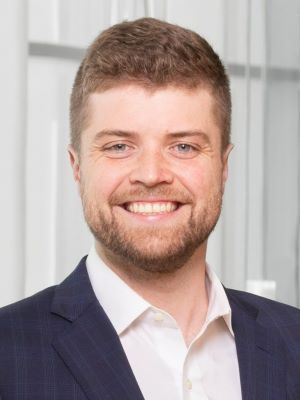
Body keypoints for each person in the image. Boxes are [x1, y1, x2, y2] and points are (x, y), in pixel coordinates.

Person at [0, 17, 299, 400]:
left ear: (224, 167)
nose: (152, 174)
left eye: (184, 146)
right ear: (77, 167)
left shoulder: (293, 341)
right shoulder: (7, 355)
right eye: (119, 146)